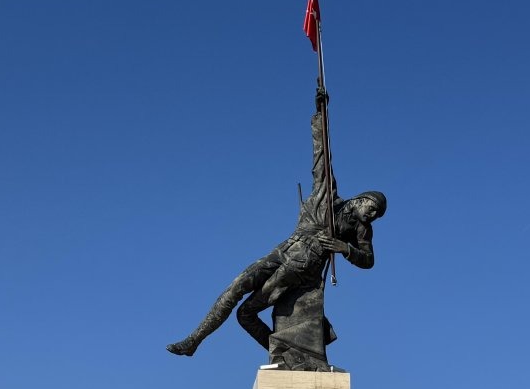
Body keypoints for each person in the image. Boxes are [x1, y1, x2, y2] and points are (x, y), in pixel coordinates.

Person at [166, 88, 387, 360]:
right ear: (361, 199)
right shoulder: (327, 196)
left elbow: (368, 260)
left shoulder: (362, 228)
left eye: (377, 214)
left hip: (303, 266)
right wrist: (321, 116)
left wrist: (344, 247)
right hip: (285, 249)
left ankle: (282, 355)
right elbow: (322, 155)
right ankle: (195, 340)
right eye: (372, 208)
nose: (373, 215)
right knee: (236, 287)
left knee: (245, 313)